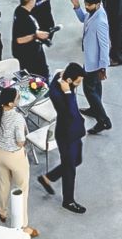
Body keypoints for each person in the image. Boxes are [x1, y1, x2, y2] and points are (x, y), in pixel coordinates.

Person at [0, 87, 37, 235]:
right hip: (15, 157)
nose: (19, 99)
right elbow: (20, 142)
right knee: (22, 189)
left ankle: (2, 210)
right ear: (10, 103)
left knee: (3, 183)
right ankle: (23, 226)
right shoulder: (17, 118)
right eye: (17, 98)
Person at [37, 62, 87, 214]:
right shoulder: (58, 94)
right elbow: (72, 113)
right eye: (78, 82)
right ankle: (68, 201)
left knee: (76, 160)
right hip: (66, 134)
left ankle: (48, 178)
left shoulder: (62, 79)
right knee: (70, 167)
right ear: (70, 80)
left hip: (74, 132)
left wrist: (64, 76)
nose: (79, 85)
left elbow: (60, 75)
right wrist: (68, 92)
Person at [72, 0, 112, 134]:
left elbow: (104, 45)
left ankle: (104, 121)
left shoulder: (100, 21)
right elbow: (84, 18)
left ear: (98, 3)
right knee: (96, 87)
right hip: (90, 59)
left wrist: (103, 67)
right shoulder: (93, 12)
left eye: (89, 5)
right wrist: (77, 7)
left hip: (95, 63)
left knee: (89, 90)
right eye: (86, 4)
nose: (86, 7)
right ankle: (95, 109)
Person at [12, 0, 50, 78]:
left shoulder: (19, 10)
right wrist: (36, 35)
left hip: (27, 51)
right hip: (28, 54)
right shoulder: (24, 18)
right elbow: (19, 39)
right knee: (37, 74)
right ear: (30, 1)